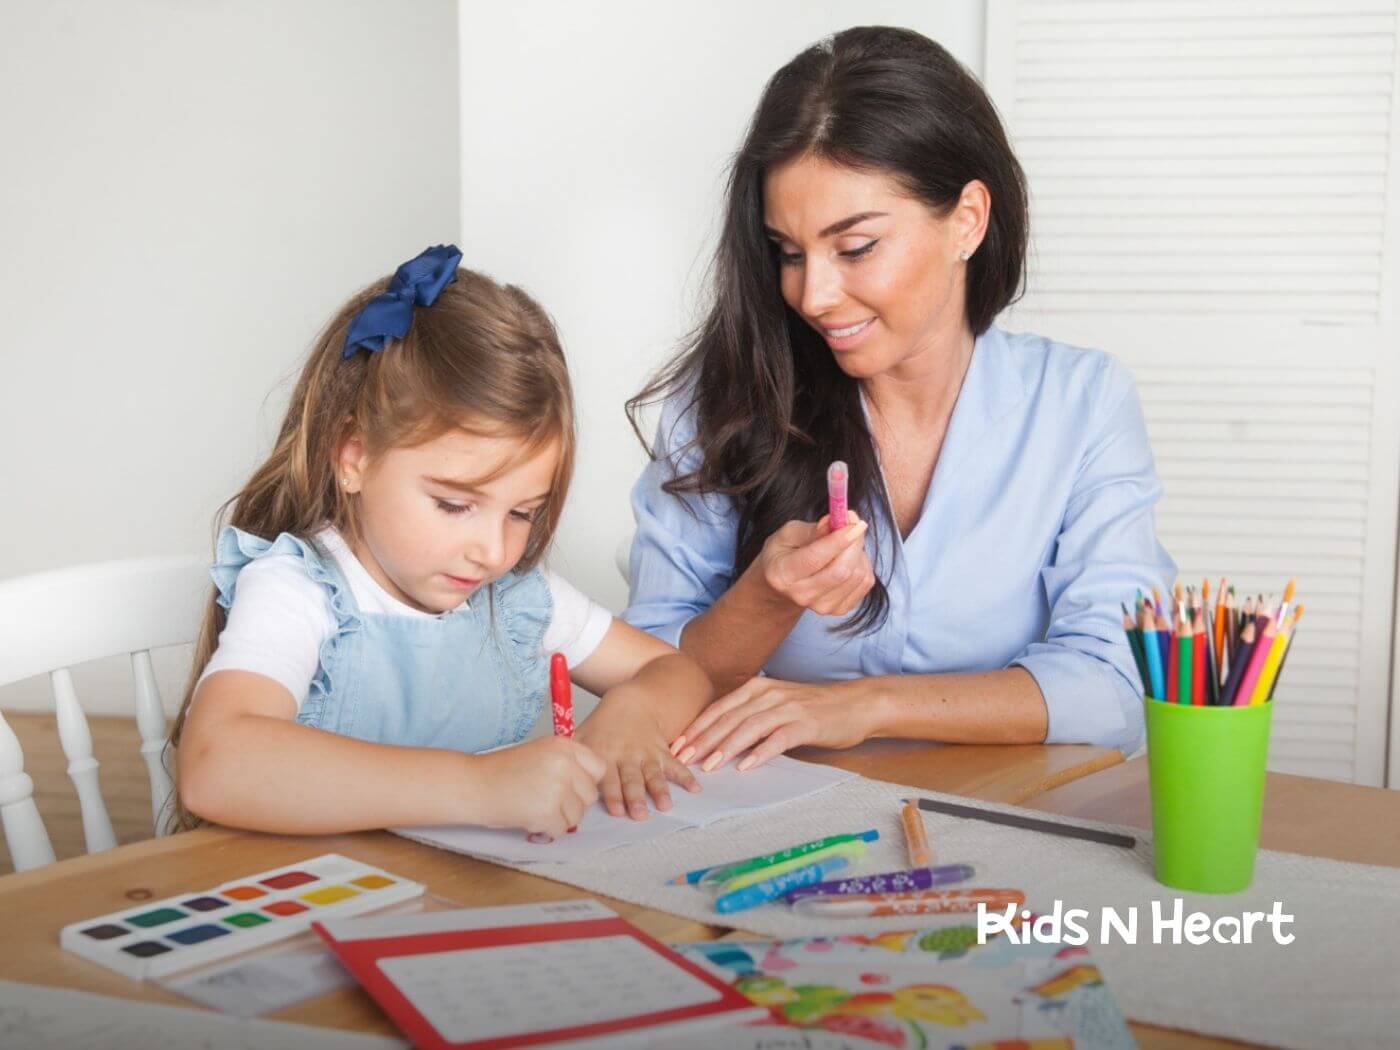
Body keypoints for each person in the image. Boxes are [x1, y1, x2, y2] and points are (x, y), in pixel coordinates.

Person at [624, 27, 1174, 769]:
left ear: (967, 222)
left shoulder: (1079, 405)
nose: (812, 295)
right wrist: (766, 598)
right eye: (789, 253)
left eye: (855, 248)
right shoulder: (723, 401)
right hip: (775, 828)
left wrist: (864, 708)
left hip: (1013, 820)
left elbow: (1116, 683)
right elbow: (639, 677)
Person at [172, 245, 710, 839]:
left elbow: (678, 672)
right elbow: (215, 766)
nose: (492, 552)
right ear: (353, 456)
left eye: (523, 513)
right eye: (455, 505)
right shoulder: (299, 589)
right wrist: (478, 788)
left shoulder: (517, 601)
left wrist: (635, 710)